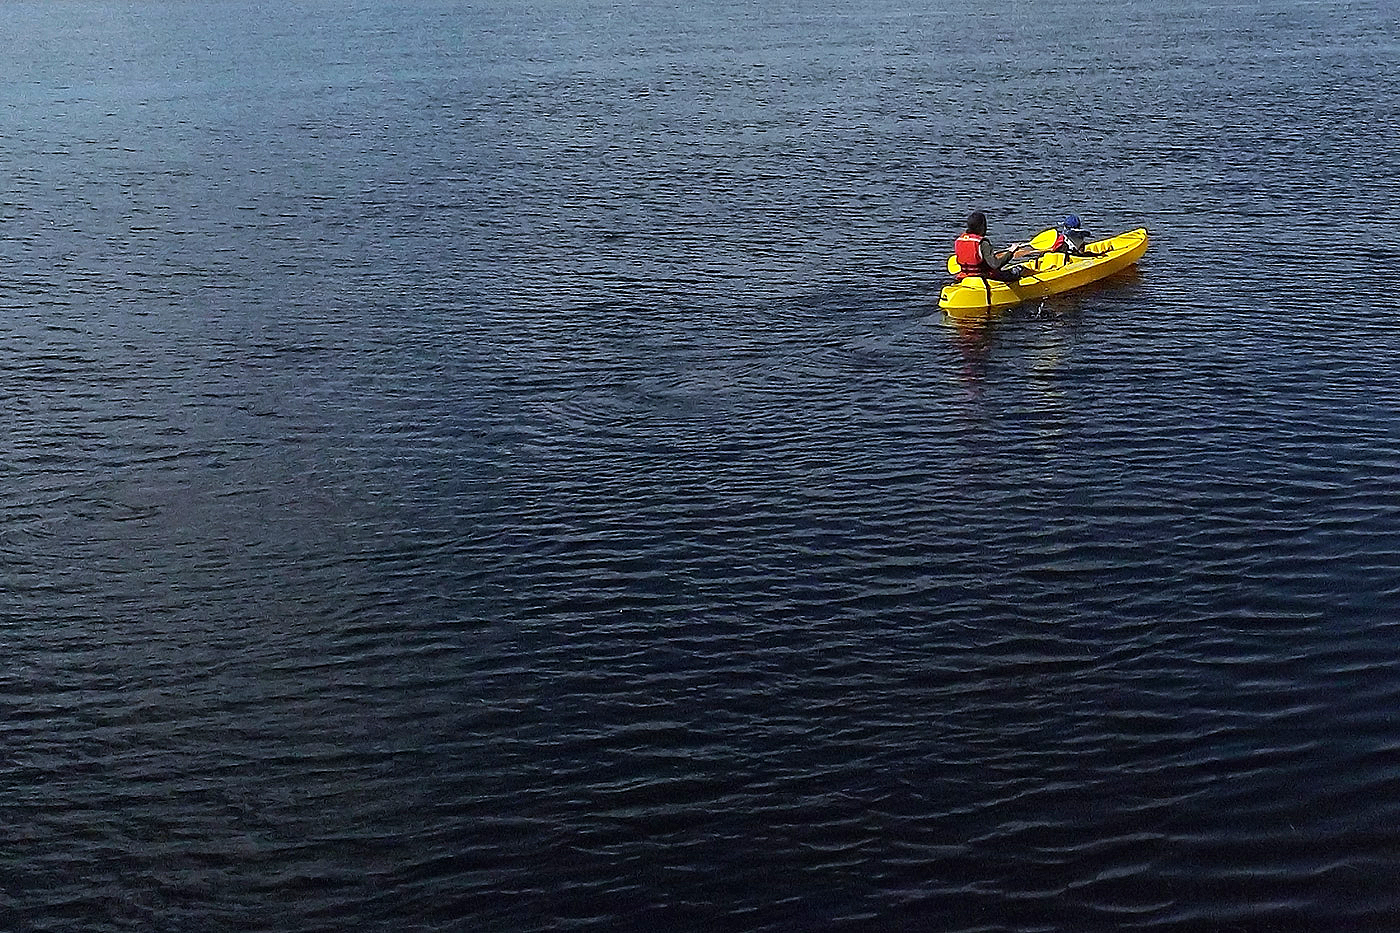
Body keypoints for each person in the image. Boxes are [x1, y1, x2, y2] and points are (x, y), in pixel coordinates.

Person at [953, 211, 1027, 281]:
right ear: (981, 226)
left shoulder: (959, 240)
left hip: (965, 277)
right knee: (1019, 269)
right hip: (982, 277)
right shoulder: (983, 243)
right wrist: (1011, 252)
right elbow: (995, 264)